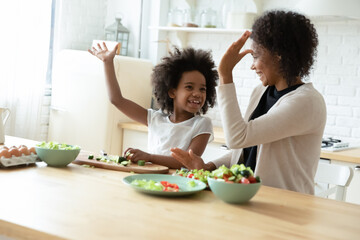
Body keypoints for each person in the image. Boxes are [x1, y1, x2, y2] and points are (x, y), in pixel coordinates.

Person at [171, 10, 326, 194]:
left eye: (256, 56)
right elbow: (247, 149)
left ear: (279, 55)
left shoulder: (306, 102)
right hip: (248, 197)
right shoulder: (261, 92)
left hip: (286, 206)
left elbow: (237, 138)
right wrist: (208, 167)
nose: (253, 65)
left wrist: (225, 74)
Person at [88, 44, 218, 168]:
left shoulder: (201, 124)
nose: (197, 94)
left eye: (202, 89)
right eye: (189, 87)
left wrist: (149, 157)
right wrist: (107, 63)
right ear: (172, 92)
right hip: (151, 179)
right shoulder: (155, 118)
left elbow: (188, 162)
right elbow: (116, 99)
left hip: (178, 185)